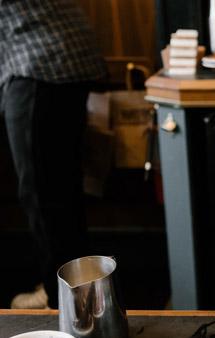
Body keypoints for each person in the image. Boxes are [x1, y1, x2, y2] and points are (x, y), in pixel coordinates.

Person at [0, 0, 106, 309]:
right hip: (64, 53)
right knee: (61, 189)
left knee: (42, 193)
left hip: (39, 61)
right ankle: (75, 291)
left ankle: (58, 297)